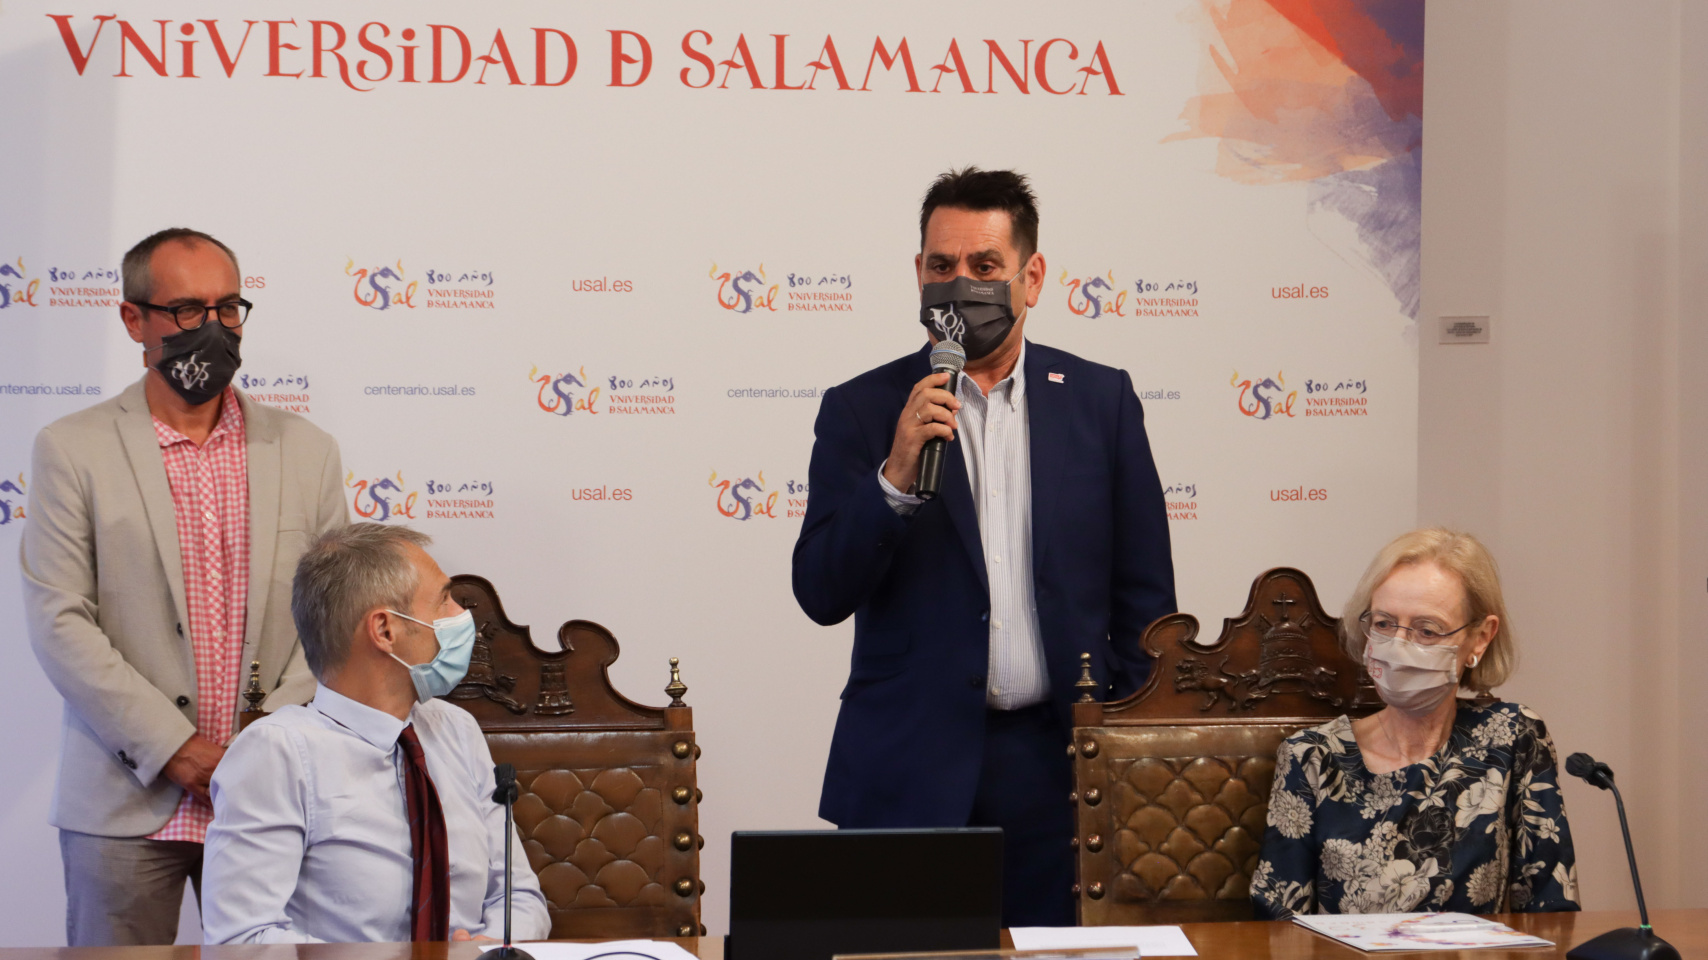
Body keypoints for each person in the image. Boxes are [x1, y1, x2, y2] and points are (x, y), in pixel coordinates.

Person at [792, 167, 1176, 926]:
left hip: (1060, 771)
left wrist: (1119, 744)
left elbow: (1146, 600)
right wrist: (894, 477)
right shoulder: (862, 408)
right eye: (942, 265)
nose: (960, 284)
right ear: (918, 272)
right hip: (907, 773)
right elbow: (821, 592)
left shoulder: (1101, 401)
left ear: (1032, 277)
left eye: (985, 265)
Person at [22, 227, 346, 946]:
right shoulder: (72, 449)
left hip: (276, 799)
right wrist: (176, 748)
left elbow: (332, 621)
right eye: (189, 310)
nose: (214, 328)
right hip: (125, 802)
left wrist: (261, 751)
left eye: (228, 307)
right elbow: (59, 621)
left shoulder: (308, 452)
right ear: (133, 319)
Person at [201, 523, 550, 943]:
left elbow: (519, 896)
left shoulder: (456, 729)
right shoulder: (277, 751)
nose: (462, 615)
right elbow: (240, 937)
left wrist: (492, 948)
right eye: (444, 600)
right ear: (385, 630)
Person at [1250, 528, 1580, 917]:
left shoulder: (1512, 737)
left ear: (1480, 637)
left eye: (1426, 630)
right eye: (1384, 624)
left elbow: (1551, 910)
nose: (1399, 647)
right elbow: (1278, 922)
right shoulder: (1311, 756)